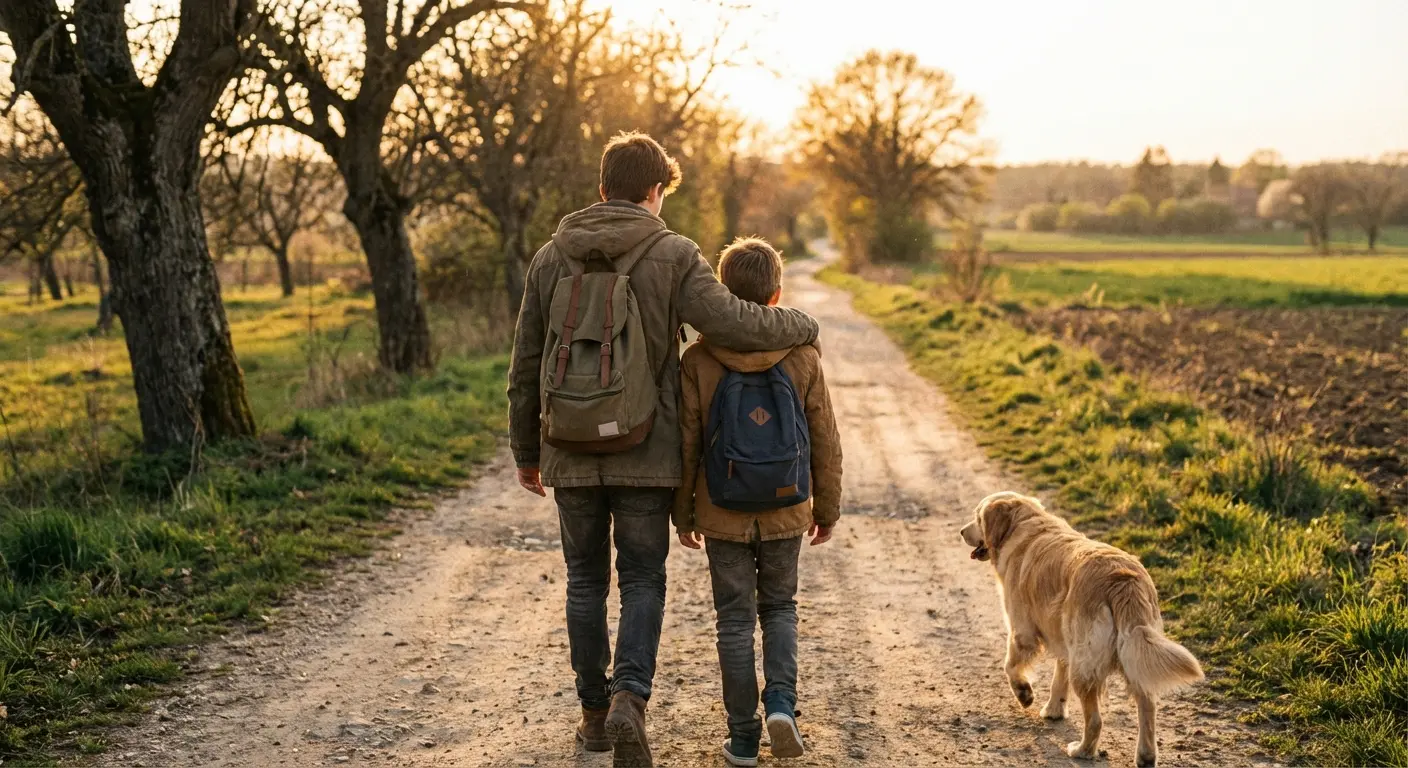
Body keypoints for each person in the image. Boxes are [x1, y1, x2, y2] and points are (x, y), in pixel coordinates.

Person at [506, 133, 820, 768]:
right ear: (655, 191)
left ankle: (594, 720)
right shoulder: (672, 253)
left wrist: (525, 449)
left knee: (585, 580)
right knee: (643, 577)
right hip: (645, 448)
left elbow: (526, 362)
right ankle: (630, 699)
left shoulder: (548, 258)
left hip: (567, 444)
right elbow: (732, 321)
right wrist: (802, 326)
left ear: (602, 187)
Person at [672, 237, 843, 767]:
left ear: (723, 291)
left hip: (721, 508)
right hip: (785, 507)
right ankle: (783, 708)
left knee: (732, 621)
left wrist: (683, 513)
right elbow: (825, 438)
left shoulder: (699, 359)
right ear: (776, 295)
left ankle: (743, 737)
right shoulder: (803, 355)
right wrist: (827, 508)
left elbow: (687, 442)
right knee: (780, 608)